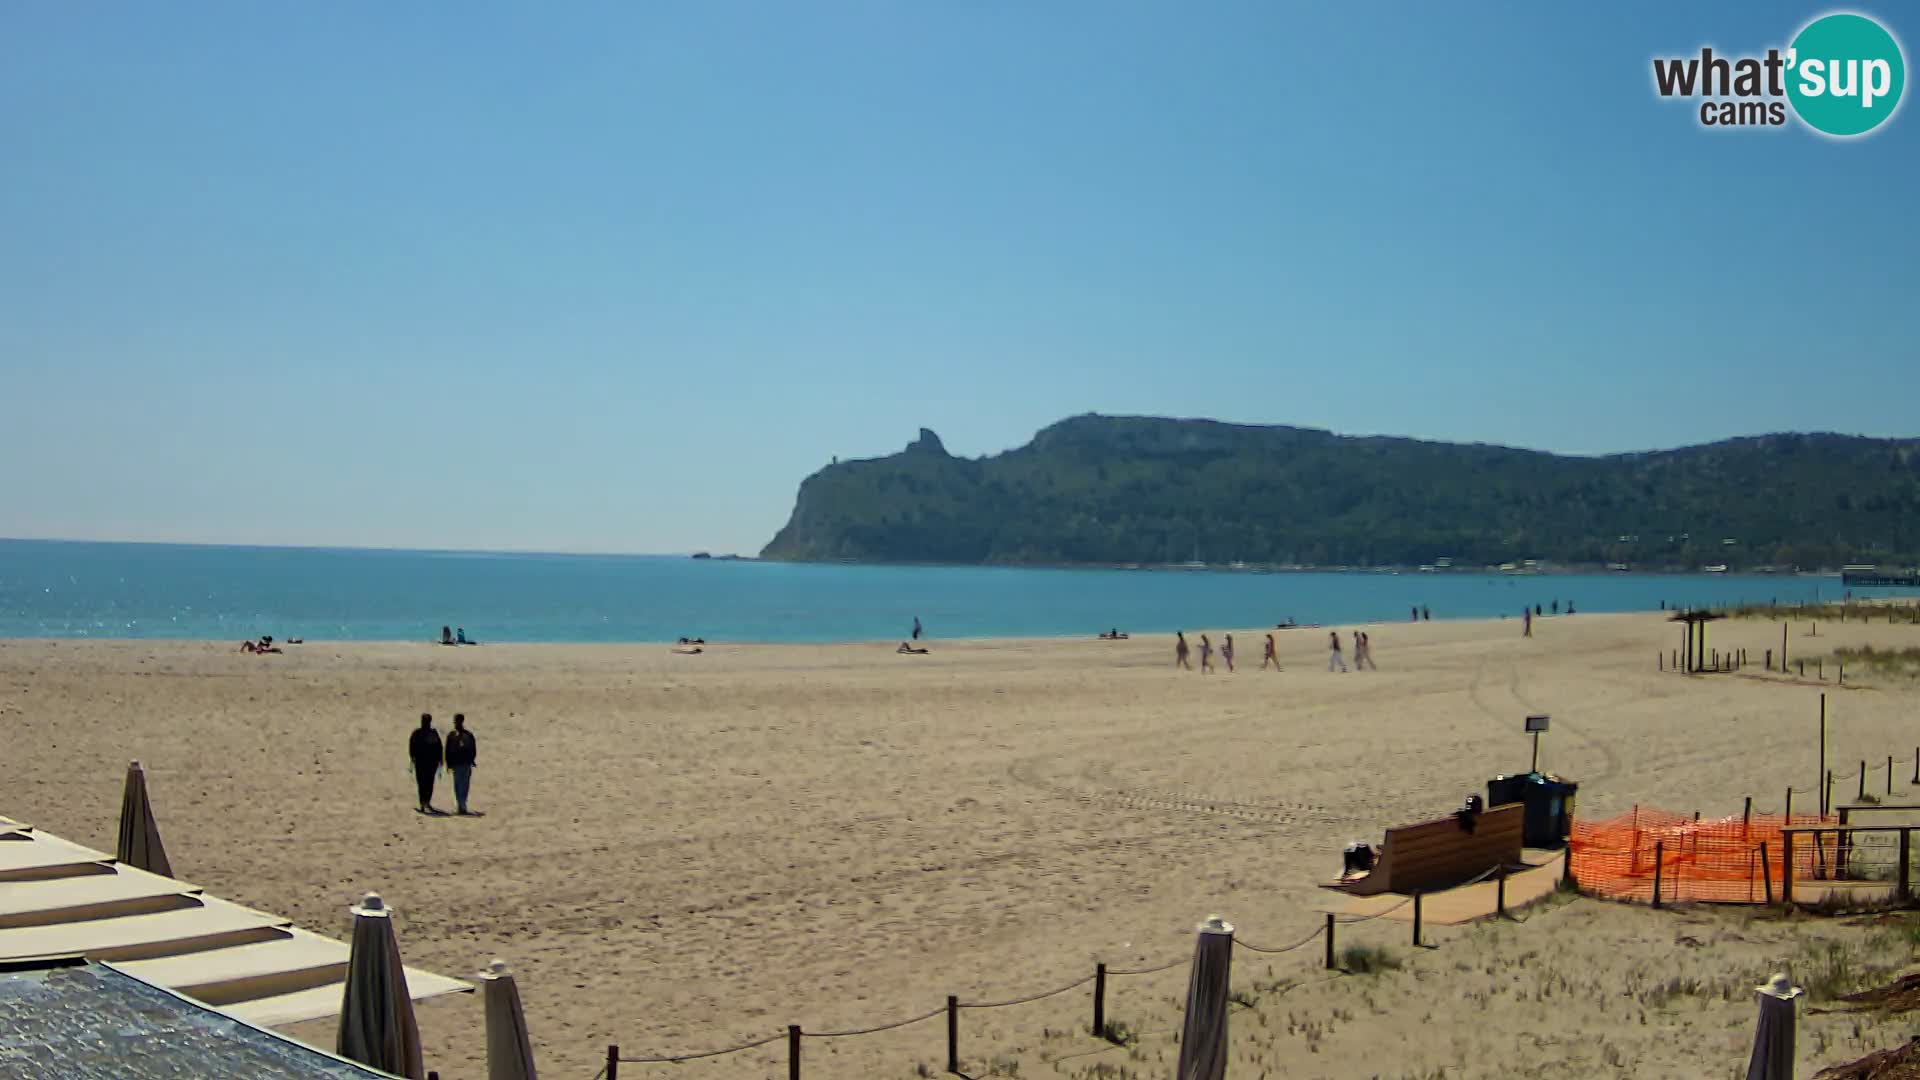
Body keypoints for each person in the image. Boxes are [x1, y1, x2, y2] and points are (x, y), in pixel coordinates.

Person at [409, 714, 443, 814]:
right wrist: (440, 760)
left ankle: (424, 803)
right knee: (427, 783)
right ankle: (425, 803)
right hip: (427, 763)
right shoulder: (429, 733)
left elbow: (412, 746)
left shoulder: (419, 733)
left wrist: (412, 757)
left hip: (425, 763)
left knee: (424, 783)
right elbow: (439, 747)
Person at [444, 714, 478, 815]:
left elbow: (473, 749)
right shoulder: (453, 735)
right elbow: (447, 750)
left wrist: (472, 760)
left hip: (465, 763)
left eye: (456, 721)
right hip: (457, 763)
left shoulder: (467, 735)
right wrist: (448, 763)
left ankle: (462, 805)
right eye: (455, 721)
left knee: (463, 785)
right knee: (459, 785)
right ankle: (460, 805)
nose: (455, 723)